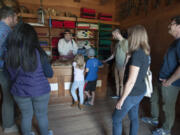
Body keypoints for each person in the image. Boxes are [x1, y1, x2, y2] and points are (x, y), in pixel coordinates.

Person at [5, 22, 53, 135]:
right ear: (33, 37)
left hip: (19, 91)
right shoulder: (40, 53)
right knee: (41, 115)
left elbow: (10, 76)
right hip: (40, 91)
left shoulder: (9, 54)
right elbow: (49, 74)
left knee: (26, 115)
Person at [141, 16, 180, 135]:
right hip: (161, 79)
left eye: (172, 24)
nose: (169, 26)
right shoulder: (175, 42)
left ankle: (166, 130)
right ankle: (154, 119)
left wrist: (169, 81)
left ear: (179, 26)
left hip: (171, 83)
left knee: (167, 107)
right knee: (153, 99)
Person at [112, 25, 150, 135]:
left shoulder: (137, 54)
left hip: (132, 93)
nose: (128, 38)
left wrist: (121, 99)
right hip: (140, 91)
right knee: (134, 117)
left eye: (129, 35)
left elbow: (131, 81)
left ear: (134, 36)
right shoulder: (145, 51)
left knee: (116, 119)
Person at [0, 6, 18, 133]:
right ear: (10, 17)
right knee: (8, 97)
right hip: (2, 69)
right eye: (15, 17)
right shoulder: (7, 31)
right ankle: (9, 126)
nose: (16, 20)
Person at [103, 29, 128, 98]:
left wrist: (125, 65)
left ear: (117, 33)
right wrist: (105, 60)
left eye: (113, 34)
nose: (113, 36)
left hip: (122, 66)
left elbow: (128, 54)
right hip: (116, 65)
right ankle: (117, 94)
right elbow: (113, 55)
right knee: (116, 81)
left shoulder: (125, 42)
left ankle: (121, 96)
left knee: (121, 82)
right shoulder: (117, 44)